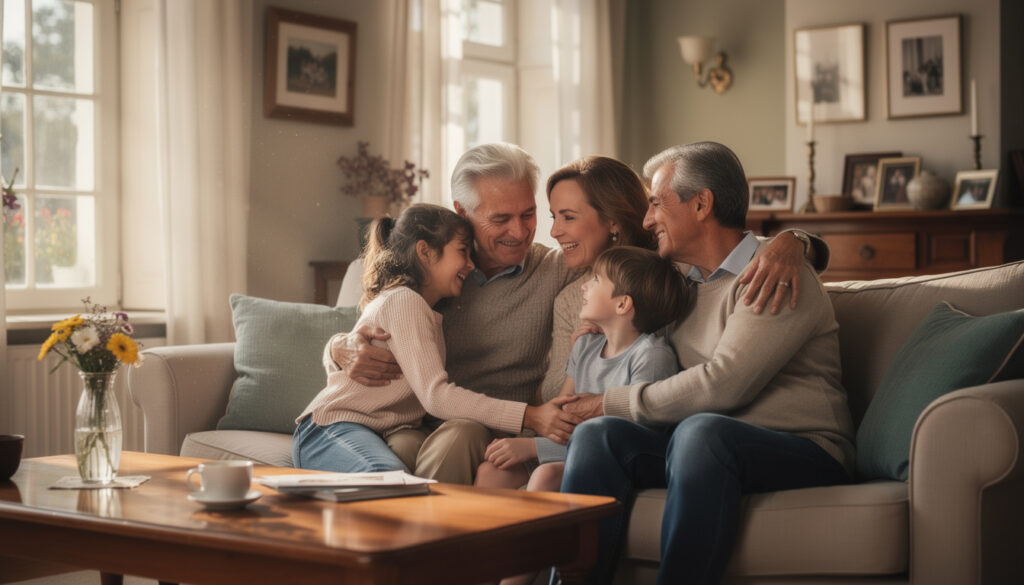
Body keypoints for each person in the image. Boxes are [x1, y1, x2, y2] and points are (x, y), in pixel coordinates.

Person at [326, 144, 827, 484]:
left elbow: (656, 257)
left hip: (503, 424)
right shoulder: (436, 267)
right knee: (401, 451)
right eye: (501, 219)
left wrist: (795, 240)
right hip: (423, 413)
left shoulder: (564, 275)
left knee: (457, 441)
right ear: (462, 212)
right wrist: (340, 348)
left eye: (530, 216)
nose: (524, 233)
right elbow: (375, 321)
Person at [558, 142, 856, 585]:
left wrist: (608, 402)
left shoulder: (774, 274)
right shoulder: (678, 282)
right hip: (701, 448)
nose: (647, 219)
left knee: (700, 430)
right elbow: (622, 276)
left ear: (701, 204)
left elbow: (724, 385)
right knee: (600, 438)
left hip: (801, 447)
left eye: (656, 203)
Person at [292, 204, 579, 473]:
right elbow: (436, 396)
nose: (470, 265)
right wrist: (531, 416)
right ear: (425, 252)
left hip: (371, 431)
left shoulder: (426, 309)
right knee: (386, 479)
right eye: (463, 252)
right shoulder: (404, 302)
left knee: (401, 481)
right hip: (329, 429)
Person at [476, 246, 685, 492]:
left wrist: (532, 448)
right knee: (491, 471)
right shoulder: (585, 345)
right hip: (568, 446)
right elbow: (562, 416)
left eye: (596, 280)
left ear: (622, 304)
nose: (584, 286)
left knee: (546, 475)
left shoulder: (651, 356)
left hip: (608, 458)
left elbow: (627, 442)